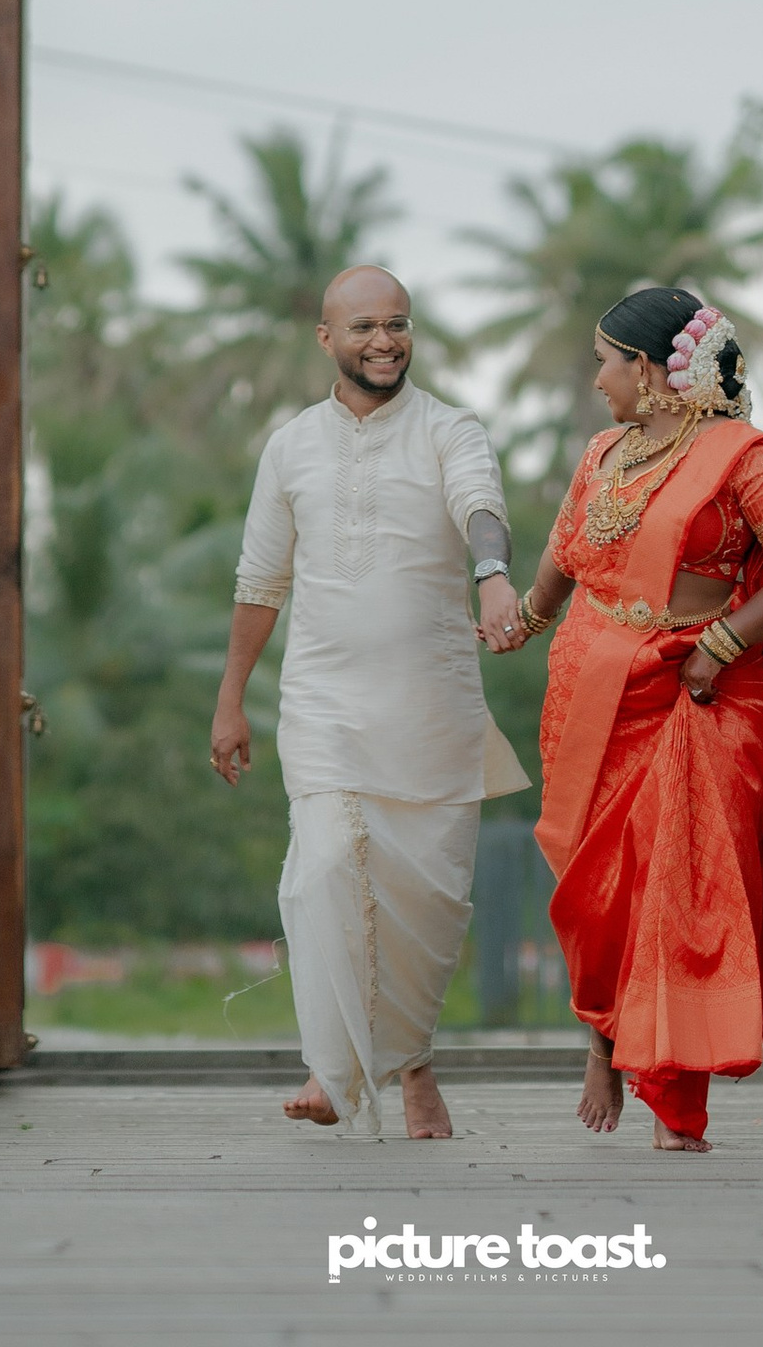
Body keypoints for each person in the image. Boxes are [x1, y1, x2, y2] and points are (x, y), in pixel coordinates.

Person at [503, 280, 763, 1154]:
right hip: (589, 701)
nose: (598, 380)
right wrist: (526, 620)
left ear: (649, 368)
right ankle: (605, 1041)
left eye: (607, 363)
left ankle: (679, 1104)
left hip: (699, 697)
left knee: (680, 891)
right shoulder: (604, 453)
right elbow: (565, 552)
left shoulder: (743, 457)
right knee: (598, 891)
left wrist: (719, 646)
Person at [212, 264, 530, 1138]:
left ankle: (413, 1065)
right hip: (323, 704)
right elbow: (259, 580)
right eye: (363, 328)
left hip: (432, 709)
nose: (383, 341)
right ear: (327, 339)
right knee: (324, 872)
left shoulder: (448, 428)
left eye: (397, 324)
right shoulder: (290, 446)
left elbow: (482, 506)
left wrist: (494, 576)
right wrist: (230, 698)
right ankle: (330, 1069)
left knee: (422, 904)